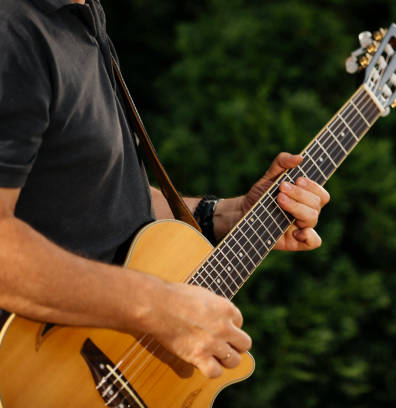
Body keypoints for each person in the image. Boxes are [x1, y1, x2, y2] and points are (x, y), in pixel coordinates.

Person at [0, 0, 329, 379]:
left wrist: (225, 214)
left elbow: (95, 200)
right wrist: (157, 307)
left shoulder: (82, 19)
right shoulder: (14, 29)